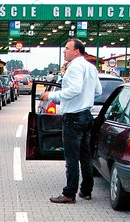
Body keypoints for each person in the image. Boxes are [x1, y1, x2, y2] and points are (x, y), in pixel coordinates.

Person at [40, 38, 102, 204]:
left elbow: (74, 89)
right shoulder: (90, 67)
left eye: (67, 48)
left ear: (77, 51)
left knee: (72, 158)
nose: (64, 51)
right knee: (85, 156)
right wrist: (85, 99)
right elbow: (98, 90)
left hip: (74, 117)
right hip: (87, 116)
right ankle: (86, 190)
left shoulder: (74, 67)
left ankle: (69, 193)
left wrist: (51, 96)